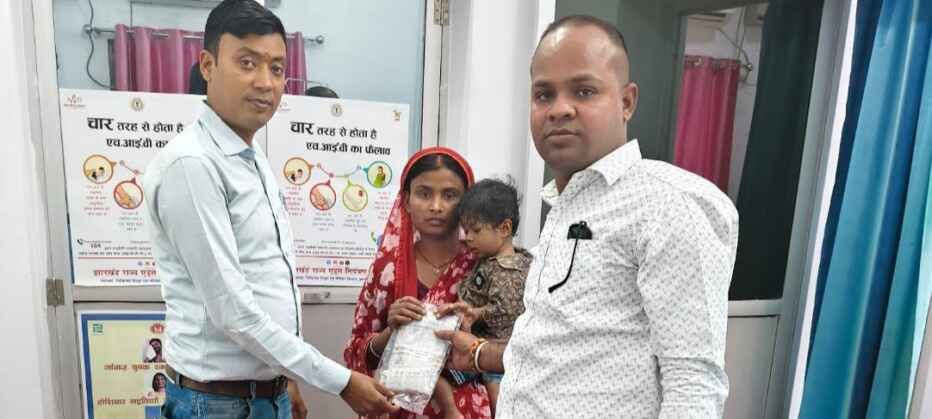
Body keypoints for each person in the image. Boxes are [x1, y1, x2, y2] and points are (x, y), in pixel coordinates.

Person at [436, 15, 739, 418]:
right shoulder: (564, 208)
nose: (559, 109)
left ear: (627, 102)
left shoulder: (669, 204)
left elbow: (694, 385)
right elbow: (559, 349)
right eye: (543, 95)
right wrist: (477, 353)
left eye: (584, 91)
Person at [142, 1, 397, 418]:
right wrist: (342, 382)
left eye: (277, 69)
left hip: (262, 393)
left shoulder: (251, 156)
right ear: (207, 65)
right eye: (247, 63)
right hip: (218, 404)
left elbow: (265, 278)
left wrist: (285, 377)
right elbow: (234, 313)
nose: (265, 82)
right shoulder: (192, 165)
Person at [344, 148, 493, 419]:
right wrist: (391, 332)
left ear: (467, 203)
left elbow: (512, 344)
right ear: (407, 200)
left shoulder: (483, 266)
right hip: (397, 407)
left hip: (466, 410)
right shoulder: (387, 269)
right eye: (424, 194)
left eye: (450, 195)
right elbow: (357, 352)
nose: (436, 206)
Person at [434, 178, 530, 417]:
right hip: (479, 347)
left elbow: (506, 311)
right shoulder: (490, 260)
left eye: (476, 231)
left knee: (500, 407)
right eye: (466, 231)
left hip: (495, 351)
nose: (468, 238)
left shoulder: (507, 269)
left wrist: (475, 313)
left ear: (504, 229)